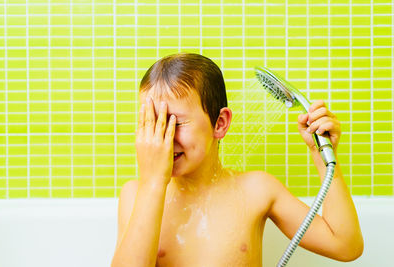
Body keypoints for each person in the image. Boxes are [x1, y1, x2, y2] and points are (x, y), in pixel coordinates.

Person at [111, 53, 363, 266]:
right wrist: (153, 183)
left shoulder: (255, 190)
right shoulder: (137, 194)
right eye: (151, 123)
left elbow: (345, 245)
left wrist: (322, 157)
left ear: (219, 123)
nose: (162, 137)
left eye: (175, 122)